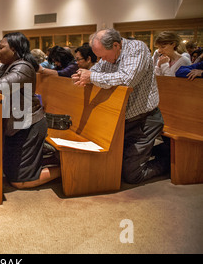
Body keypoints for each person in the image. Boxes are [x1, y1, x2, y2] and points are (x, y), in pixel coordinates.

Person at [72, 29, 169, 184]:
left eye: (103, 56)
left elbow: (126, 79)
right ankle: (151, 152)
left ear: (116, 45)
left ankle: (169, 161)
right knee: (111, 162)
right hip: (122, 120)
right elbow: (96, 71)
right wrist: (82, 75)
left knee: (132, 175)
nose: (101, 60)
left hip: (144, 121)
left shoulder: (136, 48)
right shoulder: (109, 55)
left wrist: (91, 76)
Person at [0, 32, 60, 189]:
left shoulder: (23, 67)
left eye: (1, 47)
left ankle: (66, 169)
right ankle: (42, 157)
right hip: (16, 126)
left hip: (29, 126)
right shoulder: (9, 66)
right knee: (9, 170)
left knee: (19, 181)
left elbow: (1, 86)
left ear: (14, 49)